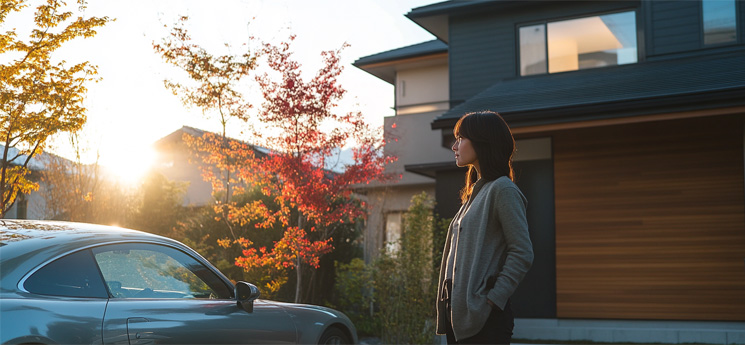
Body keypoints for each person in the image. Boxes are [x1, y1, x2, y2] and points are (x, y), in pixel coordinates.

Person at [436, 111, 534, 345]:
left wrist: (492, 299)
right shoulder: (474, 195)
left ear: (482, 141)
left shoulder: (502, 190)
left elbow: (522, 252)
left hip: (485, 319)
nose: (454, 146)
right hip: (459, 318)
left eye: (461, 138)